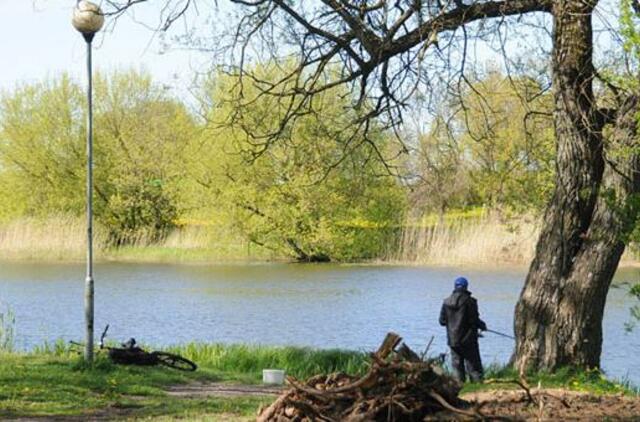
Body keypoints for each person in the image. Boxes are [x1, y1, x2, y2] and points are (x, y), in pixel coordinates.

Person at [439, 276, 486, 382]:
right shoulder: (470, 301)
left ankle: (459, 386)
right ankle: (477, 385)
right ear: (466, 287)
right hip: (468, 339)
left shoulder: (446, 302)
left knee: (456, 365)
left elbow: (442, 321)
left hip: (453, 339)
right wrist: (482, 325)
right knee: (473, 364)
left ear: (455, 287)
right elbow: (474, 320)